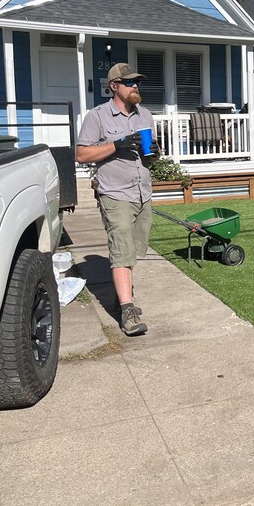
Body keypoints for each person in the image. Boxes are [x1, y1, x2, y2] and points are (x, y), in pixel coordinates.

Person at [76, 63, 159, 336]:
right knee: (121, 251)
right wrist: (116, 145)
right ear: (114, 86)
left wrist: (154, 153)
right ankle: (127, 311)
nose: (135, 87)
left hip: (142, 193)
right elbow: (82, 154)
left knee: (133, 250)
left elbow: (149, 156)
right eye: (129, 82)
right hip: (115, 194)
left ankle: (121, 295)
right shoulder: (98, 116)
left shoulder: (145, 115)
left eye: (137, 83)